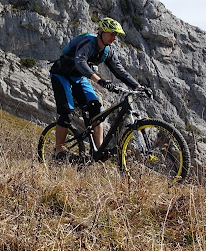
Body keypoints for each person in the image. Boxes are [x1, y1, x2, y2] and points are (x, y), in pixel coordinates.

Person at [49, 17, 147, 161]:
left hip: (78, 78)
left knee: (95, 107)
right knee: (67, 112)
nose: (114, 38)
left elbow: (120, 71)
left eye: (116, 35)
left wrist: (138, 87)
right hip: (61, 74)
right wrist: (99, 80)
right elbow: (80, 61)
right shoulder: (88, 42)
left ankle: (98, 150)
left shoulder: (107, 51)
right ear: (100, 31)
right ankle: (58, 150)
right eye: (112, 34)